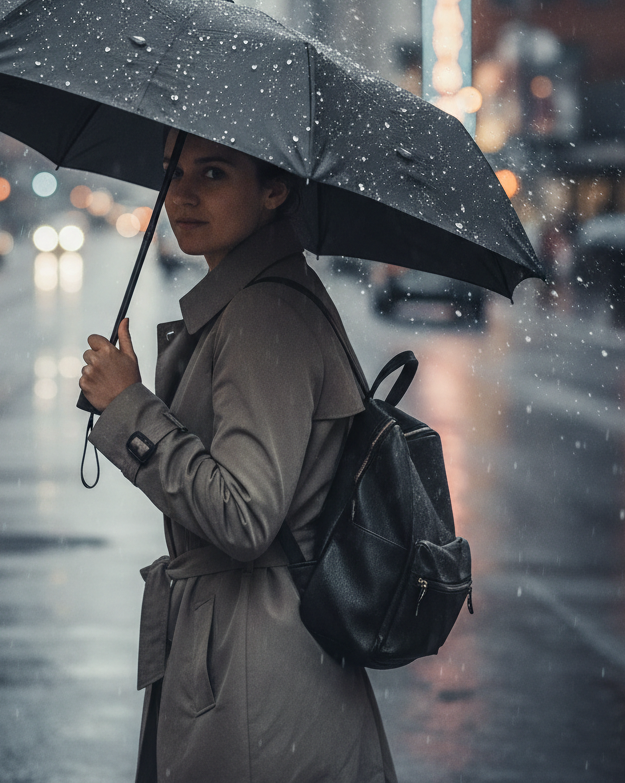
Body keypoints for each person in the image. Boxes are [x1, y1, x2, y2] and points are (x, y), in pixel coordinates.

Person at [80, 131, 397, 783]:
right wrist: (134, 400)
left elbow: (245, 516)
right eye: (173, 171)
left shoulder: (261, 314)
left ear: (275, 190)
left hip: (256, 674)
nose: (183, 194)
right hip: (257, 659)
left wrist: (131, 412)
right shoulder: (254, 300)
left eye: (215, 173)